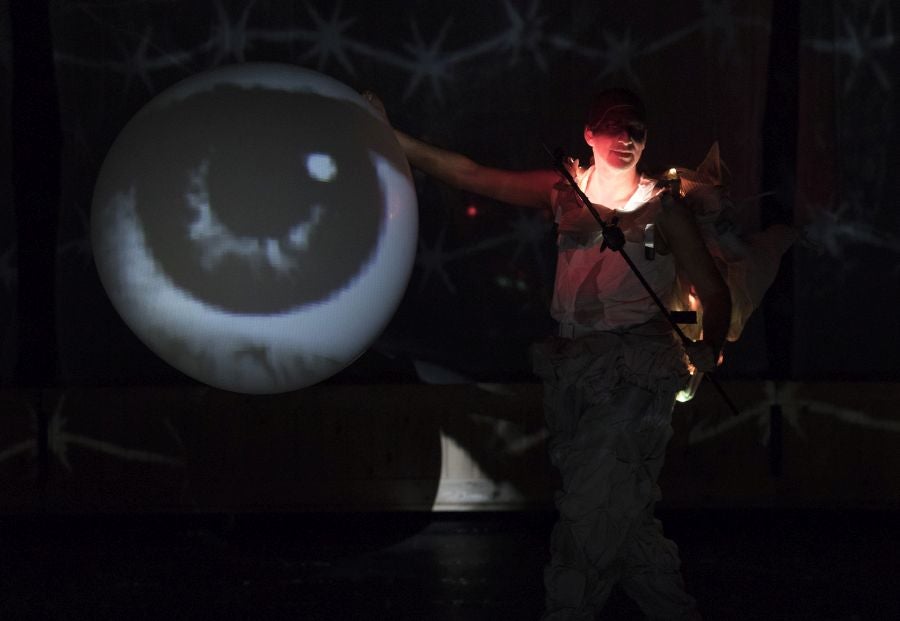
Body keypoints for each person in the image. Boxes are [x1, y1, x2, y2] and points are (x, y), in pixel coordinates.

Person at [366, 88, 729, 620]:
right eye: (615, 126)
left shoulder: (663, 208)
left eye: (638, 130)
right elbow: (470, 175)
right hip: (573, 368)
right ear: (589, 133)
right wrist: (386, 135)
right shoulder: (565, 193)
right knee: (624, 518)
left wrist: (707, 347)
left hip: (636, 371)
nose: (627, 138)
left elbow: (713, 293)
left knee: (592, 504)